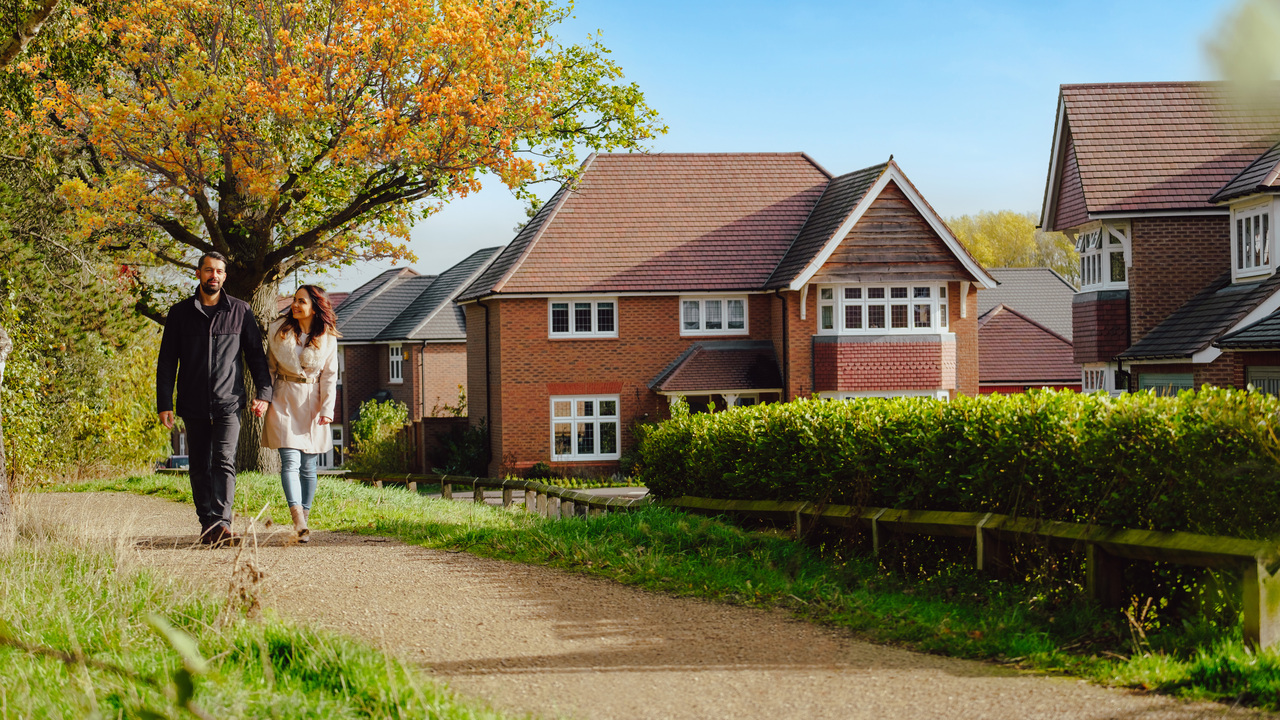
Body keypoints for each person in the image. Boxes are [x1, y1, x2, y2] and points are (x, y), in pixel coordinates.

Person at [157, 252, 272, 546]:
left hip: (229, 403)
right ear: (198, 273)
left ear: (224, 276)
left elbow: (256, 357)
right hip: (193, 403)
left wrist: (264, 393)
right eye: (209, 270)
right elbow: (167, 361)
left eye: (219, 271)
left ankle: (222, 522)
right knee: (198, 464)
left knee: (223, 460)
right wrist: (164, 404)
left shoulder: (240, 311)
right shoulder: (180, 313)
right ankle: (207, 523)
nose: (214, 276)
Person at [262, 285, 340, 543]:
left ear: (315, 307)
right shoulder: (278, 332)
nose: (295, 305)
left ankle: (304, 519)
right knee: (290, 462)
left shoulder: (328, 337)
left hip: (314, 403)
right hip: (284, 398)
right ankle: (297, 518)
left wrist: (328, 410)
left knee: (309, 467)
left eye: (301, 301)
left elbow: (330, 376)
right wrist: (264, 399)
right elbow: (269, 370)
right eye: (294, 300)